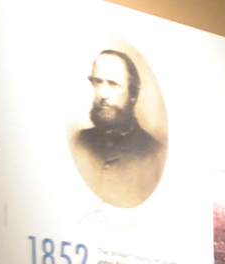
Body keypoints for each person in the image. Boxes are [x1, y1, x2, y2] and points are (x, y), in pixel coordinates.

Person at [70, 48, 165, 208]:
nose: (103, 94)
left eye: (113, 84)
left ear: (133, 94)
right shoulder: (78, 142)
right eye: (97, 82)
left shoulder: (153, 153)